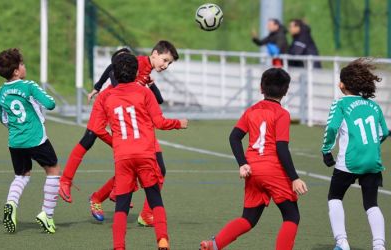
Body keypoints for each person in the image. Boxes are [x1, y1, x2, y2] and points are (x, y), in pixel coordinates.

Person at [59, 41, 178, 226]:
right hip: (110, 107)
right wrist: (99, 88)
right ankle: (66, 181)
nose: (165, 65)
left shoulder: (147, 74)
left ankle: (129, 207)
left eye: (169, 63)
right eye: (165, 60)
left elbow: (158, 100)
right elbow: (112, 68)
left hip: (131, 121)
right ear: (154, 54)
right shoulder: (137, 62)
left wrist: (150, 85)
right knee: (90, 138)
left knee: (153, 167)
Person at [200, 68, 308, 250]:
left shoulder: (251, 111)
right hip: (273, 170)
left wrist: (242, 164)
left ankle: (214, 244)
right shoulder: (282, 114)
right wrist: (294, 178)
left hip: (253, 169)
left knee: (248, 219)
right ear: (286, 90)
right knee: (291, 216)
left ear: (261, 88)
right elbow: (281, 148)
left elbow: (234, 137)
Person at [99, 51, 187, 250]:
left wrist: (116, 142)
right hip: (146, 153)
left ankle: (119, 246)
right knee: (155, 198)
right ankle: (162, 239)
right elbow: (159, 122)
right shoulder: (145, 92)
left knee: (121, 205)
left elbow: (96, 128)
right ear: (136, 71)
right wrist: (178, 123)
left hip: (123, 156)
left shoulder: (106, 96)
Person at [322, 58, 389, 250]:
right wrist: (372, 145)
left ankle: (342, 242)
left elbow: (332, 127)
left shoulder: (340, 104)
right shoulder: (374, 106)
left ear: (342, 85)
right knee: (371, 204)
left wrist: (326, 150)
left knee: (334, 198)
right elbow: (384, 132)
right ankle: (379, 246)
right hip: (373, 162)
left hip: (349, 162)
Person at [0, 48, 60, 234]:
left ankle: (11, 203)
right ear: (16, 71)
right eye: (22, 64)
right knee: (53, 170)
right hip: (36, 139)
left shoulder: (1, 92)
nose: (24, 67)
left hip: (15, 142)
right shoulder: (28, 85)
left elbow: (4, 119)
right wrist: (38, 102)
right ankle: (47, 215)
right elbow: (50, 103)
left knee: (21, 176)